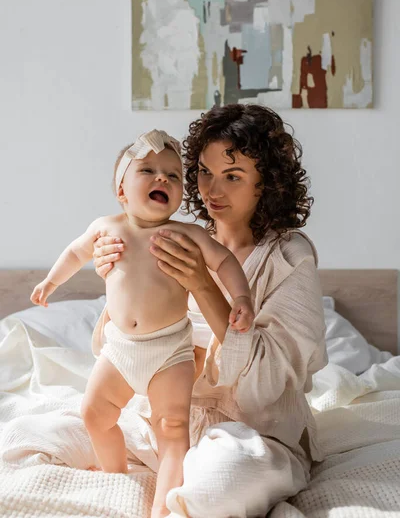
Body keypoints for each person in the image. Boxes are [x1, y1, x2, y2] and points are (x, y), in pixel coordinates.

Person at [93, 104, 328, 518]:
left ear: (265, 184)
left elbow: (266, 387)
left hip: (254, 433)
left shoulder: (290, 257)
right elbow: (113, 349)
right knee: (52, 430)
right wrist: (116, 278)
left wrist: (204, 286)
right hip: (167, 419)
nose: (211, 191)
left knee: (218, 484)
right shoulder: (176, 238)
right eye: (203, 172)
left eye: (233, 176)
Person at [30, 129, 254, 518]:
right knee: (94, 414)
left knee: (172, 427)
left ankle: (162, 508)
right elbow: (74, 252)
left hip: (170, 352)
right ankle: (116, 473)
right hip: (119, 351)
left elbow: (224, 262)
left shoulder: (188, 234)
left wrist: (242, 298)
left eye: (173, 175)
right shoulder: (106, 228)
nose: (162, 178)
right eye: (148, 170)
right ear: (121, 190)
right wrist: (51, 281)